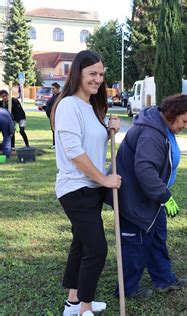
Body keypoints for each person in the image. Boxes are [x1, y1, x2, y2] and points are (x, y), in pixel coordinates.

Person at [50, 50, 122, 316]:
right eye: (92, 73)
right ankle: (85, 309)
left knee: (81, 245)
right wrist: (104, 178)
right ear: (77, 73)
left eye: (101, 74)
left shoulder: (90, 106)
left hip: (90, 188)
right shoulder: (68, 104)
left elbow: (91, 143)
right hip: (75, 188)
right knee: (97, 250)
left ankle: (72, 303)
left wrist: (109, 129)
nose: (98, 79)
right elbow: (74, 151)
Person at [109, 93, 187, 299]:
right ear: (172, 114)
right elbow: (145, 169)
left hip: (151, 198)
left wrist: (160, 196)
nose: (186, 126)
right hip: (135, 199)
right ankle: (127, 288)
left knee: (157, 238)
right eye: (185, 121)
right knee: (135, 245)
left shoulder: (162, 127)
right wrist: (164, 195)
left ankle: (164, 279)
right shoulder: (152, 134)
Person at [45, 82, 61, 148]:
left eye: (53, 88)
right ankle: (54, 144)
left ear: (58, 89)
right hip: (51, 116)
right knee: (53, 130)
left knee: (56, 130)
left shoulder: (60, 96)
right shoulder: (54, 96)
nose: (52, 90)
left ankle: (56, 144)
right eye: (51, 89)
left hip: (56, 116)